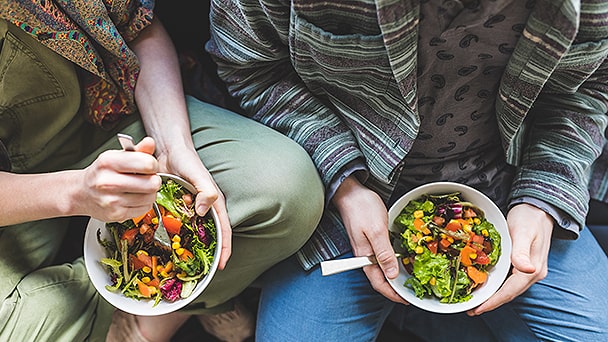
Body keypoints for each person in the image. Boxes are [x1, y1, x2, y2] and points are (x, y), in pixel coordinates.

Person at [206, 0, 608, 341]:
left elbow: (588, 87)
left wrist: (542, 197)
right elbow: (251, 67)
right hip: (338, 198)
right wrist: (345, 186)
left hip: (507, 188)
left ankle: (420, 316)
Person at [0, 1, 324, 341]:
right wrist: (74, 193)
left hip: (110, 115)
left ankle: (143, 315)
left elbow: (139, 27)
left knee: (288, 189)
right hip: (14, 199)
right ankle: (127, 315)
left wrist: (174, 147)